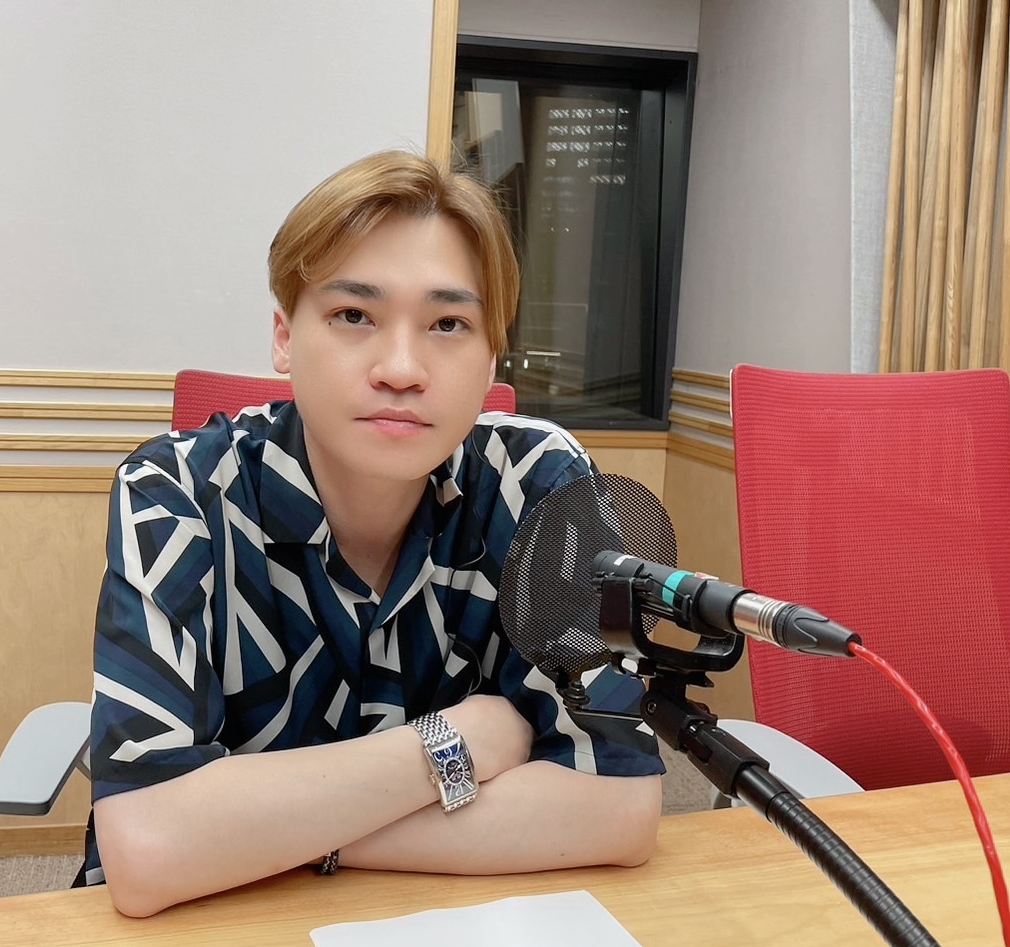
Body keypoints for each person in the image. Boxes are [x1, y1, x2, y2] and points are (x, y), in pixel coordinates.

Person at [85, 150, 664, 917]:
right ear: (284, 336)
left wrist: (276, 834)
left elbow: (617, 804)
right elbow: (148, 846)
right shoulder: (175, 491)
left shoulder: (545, 487)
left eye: (448, 323)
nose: (401, 367)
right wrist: (454, 743)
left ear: (491, 355)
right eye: (354, 315)